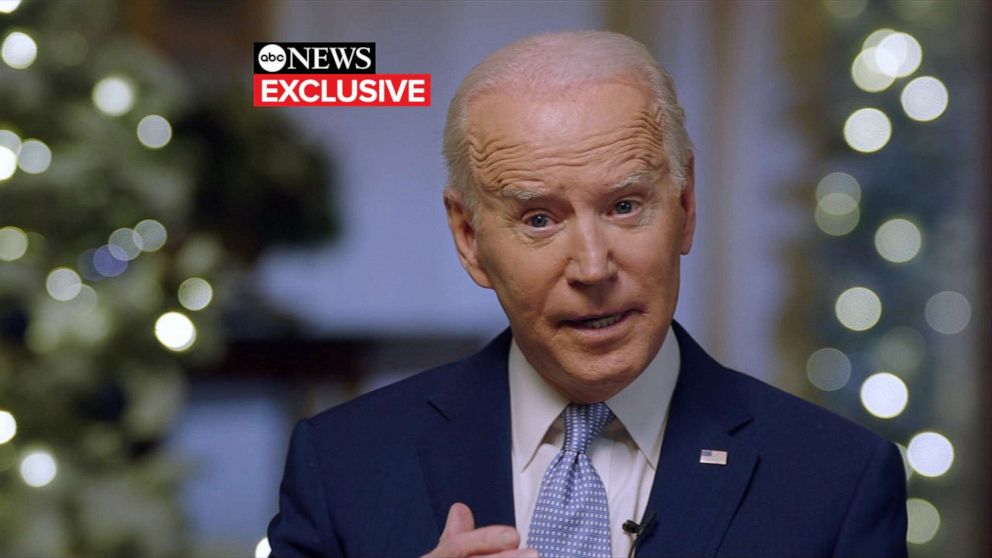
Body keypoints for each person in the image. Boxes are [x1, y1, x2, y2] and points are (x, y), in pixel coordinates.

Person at [267, 31, 907, 558]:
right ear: (469, 238)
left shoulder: (838, 481)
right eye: (540, 218)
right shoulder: (342, 467)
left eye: (626, 206)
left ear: (684, 209)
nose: (594, 266)